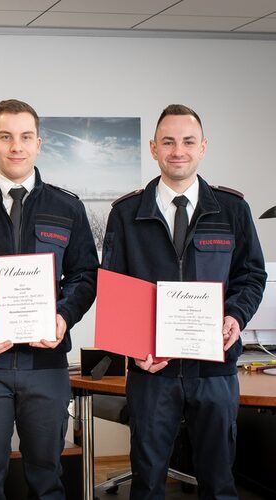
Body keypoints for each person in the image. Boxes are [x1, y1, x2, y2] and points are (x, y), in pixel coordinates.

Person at [102, 104, 266, 499]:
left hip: (214, 369)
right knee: (148, 482)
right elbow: (112, 289)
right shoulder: (126, 214)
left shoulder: (232, 210)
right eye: (168, 142)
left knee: (220, 483)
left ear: (203, 147)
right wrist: (133, 348)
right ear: (153, 148)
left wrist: (235, 316)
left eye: (188, 141)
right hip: (151, 371)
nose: (179, 150)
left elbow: (251, 275)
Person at [0, 99, 98, 499]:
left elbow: (86, 275)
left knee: (47, 477)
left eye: (25, 137)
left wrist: (64, 317)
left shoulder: (66, 206)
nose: (16, 146)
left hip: (46, 364)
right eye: (6, 137)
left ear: (39, 143)